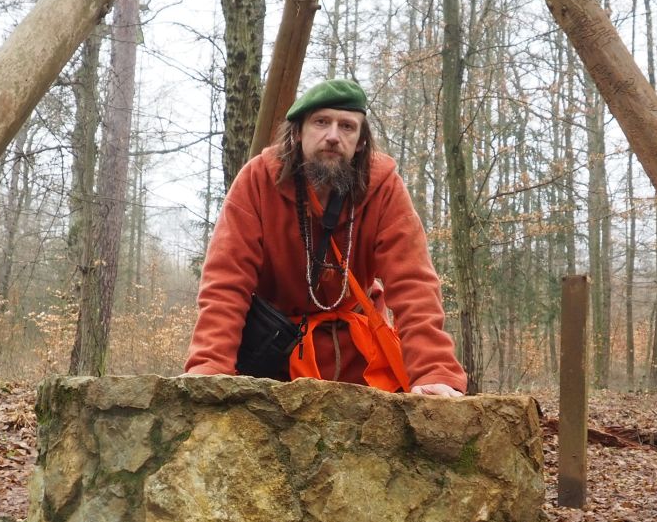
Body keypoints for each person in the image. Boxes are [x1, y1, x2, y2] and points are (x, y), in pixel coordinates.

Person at [184, 78, 466, 396]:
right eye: (321, 122)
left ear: (360, 141)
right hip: (275, 353)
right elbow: (226, 281)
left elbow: (413, 284)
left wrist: (433, 370)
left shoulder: (384, 187)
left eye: (347, 126)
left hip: (359, 361)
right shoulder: (256, 180)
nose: (333, 136)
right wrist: (210, 365)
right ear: (297, 132)